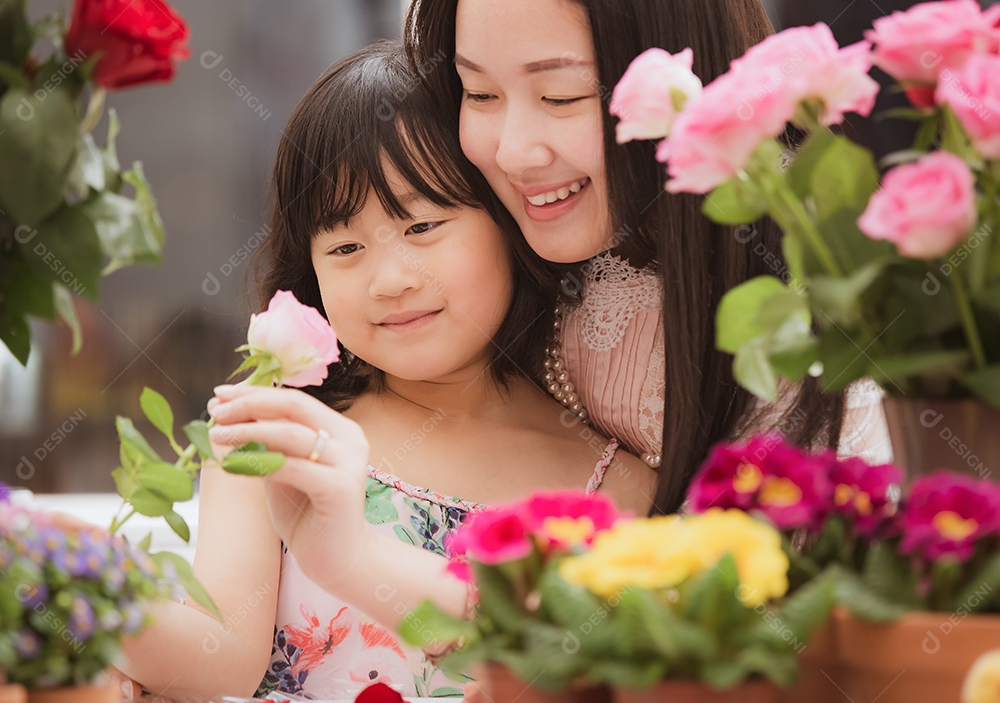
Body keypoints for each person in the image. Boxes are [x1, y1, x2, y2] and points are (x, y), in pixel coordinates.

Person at [113, 40, 653, 701]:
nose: (390, 280)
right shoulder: (283, 437)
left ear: (510, 224)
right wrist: (67, 587)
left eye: (422, 226)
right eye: (345, 246)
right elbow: (217, 657)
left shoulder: (618, 485)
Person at [404, 0, 893, 516]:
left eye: (561, 96)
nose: (512, 152)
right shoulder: (470, 230)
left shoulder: (810, 287)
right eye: (479, 93)